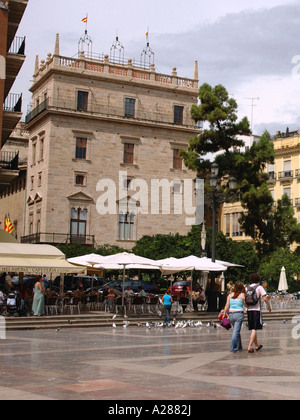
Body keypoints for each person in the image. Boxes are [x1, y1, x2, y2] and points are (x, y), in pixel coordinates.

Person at [246, 273, 271, 353]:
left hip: (249, 310)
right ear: (258, 280)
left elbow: (244, 299)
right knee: (254, 328)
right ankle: (249, 346)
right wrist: (269, 307)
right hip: (256, 310)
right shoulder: (259, 287)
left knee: (253, 328)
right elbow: (265, 298)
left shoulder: (247, 288)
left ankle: (256, 345)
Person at [223, 281, 246, 353]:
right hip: (239, 314)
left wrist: (224, 313)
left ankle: (239, 346)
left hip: (231, 314)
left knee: (236, 330)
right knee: (236, 331)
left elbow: (227, 305)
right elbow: (246, 305)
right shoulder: (242, 295)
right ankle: (232, 347)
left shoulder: (230, 295)